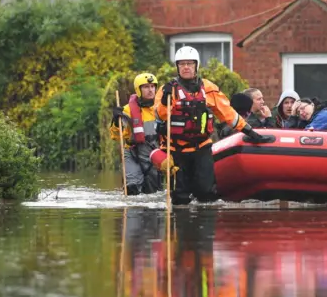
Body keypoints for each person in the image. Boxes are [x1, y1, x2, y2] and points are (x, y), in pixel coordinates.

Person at [155, 46, 271, 205]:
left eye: (189, 63)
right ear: (177, 67)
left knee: (206, 193)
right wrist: (164, 101)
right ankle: (182, 223)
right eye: (182, 64)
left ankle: (204, 226)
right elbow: (160, 115)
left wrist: (251, 132)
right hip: (177, 150)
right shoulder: (167, 90)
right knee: (180, 198)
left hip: (201, 147)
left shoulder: (208, 88)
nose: (186, 67)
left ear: (196, 66)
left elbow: (228, 113)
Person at [110, 73, 163, 195]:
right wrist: (116, 121)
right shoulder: (127, 110)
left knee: (153, 193)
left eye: (152, 86)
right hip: (133, 154)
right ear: (138, 90)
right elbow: (116, 136)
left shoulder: (161, 109)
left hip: (154, 155)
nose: (150, 90)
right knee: (132, 189)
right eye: (146, 87)